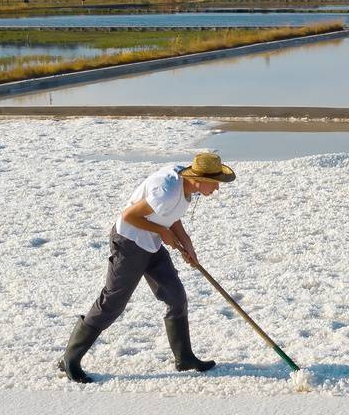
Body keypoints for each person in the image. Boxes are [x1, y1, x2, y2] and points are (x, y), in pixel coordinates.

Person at [61, 151, 236, 383]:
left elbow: (171, 216)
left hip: (151, 245)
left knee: (175, 296)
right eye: (214, 184)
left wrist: (187, 244)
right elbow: (129, 215)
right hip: (129, 243)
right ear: (198, 179)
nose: (216, 189)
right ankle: (70, 360)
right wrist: (163, 232)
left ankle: (184, 358)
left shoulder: (186, 186)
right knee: (112, 303)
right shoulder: (166, 189)